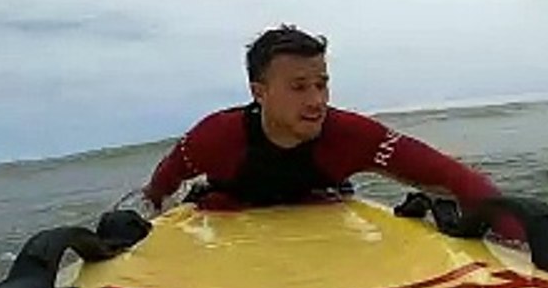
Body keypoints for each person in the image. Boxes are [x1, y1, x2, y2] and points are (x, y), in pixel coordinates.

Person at [142, 25, 523, 241]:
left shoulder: (351, 135)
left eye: (321, 84)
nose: (316, 101)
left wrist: (519, 241)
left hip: (318, 203)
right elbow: (161, 186)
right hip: (232, 209)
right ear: (259, 92)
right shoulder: (216, 136)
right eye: (299, 87)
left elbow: (456, 178)